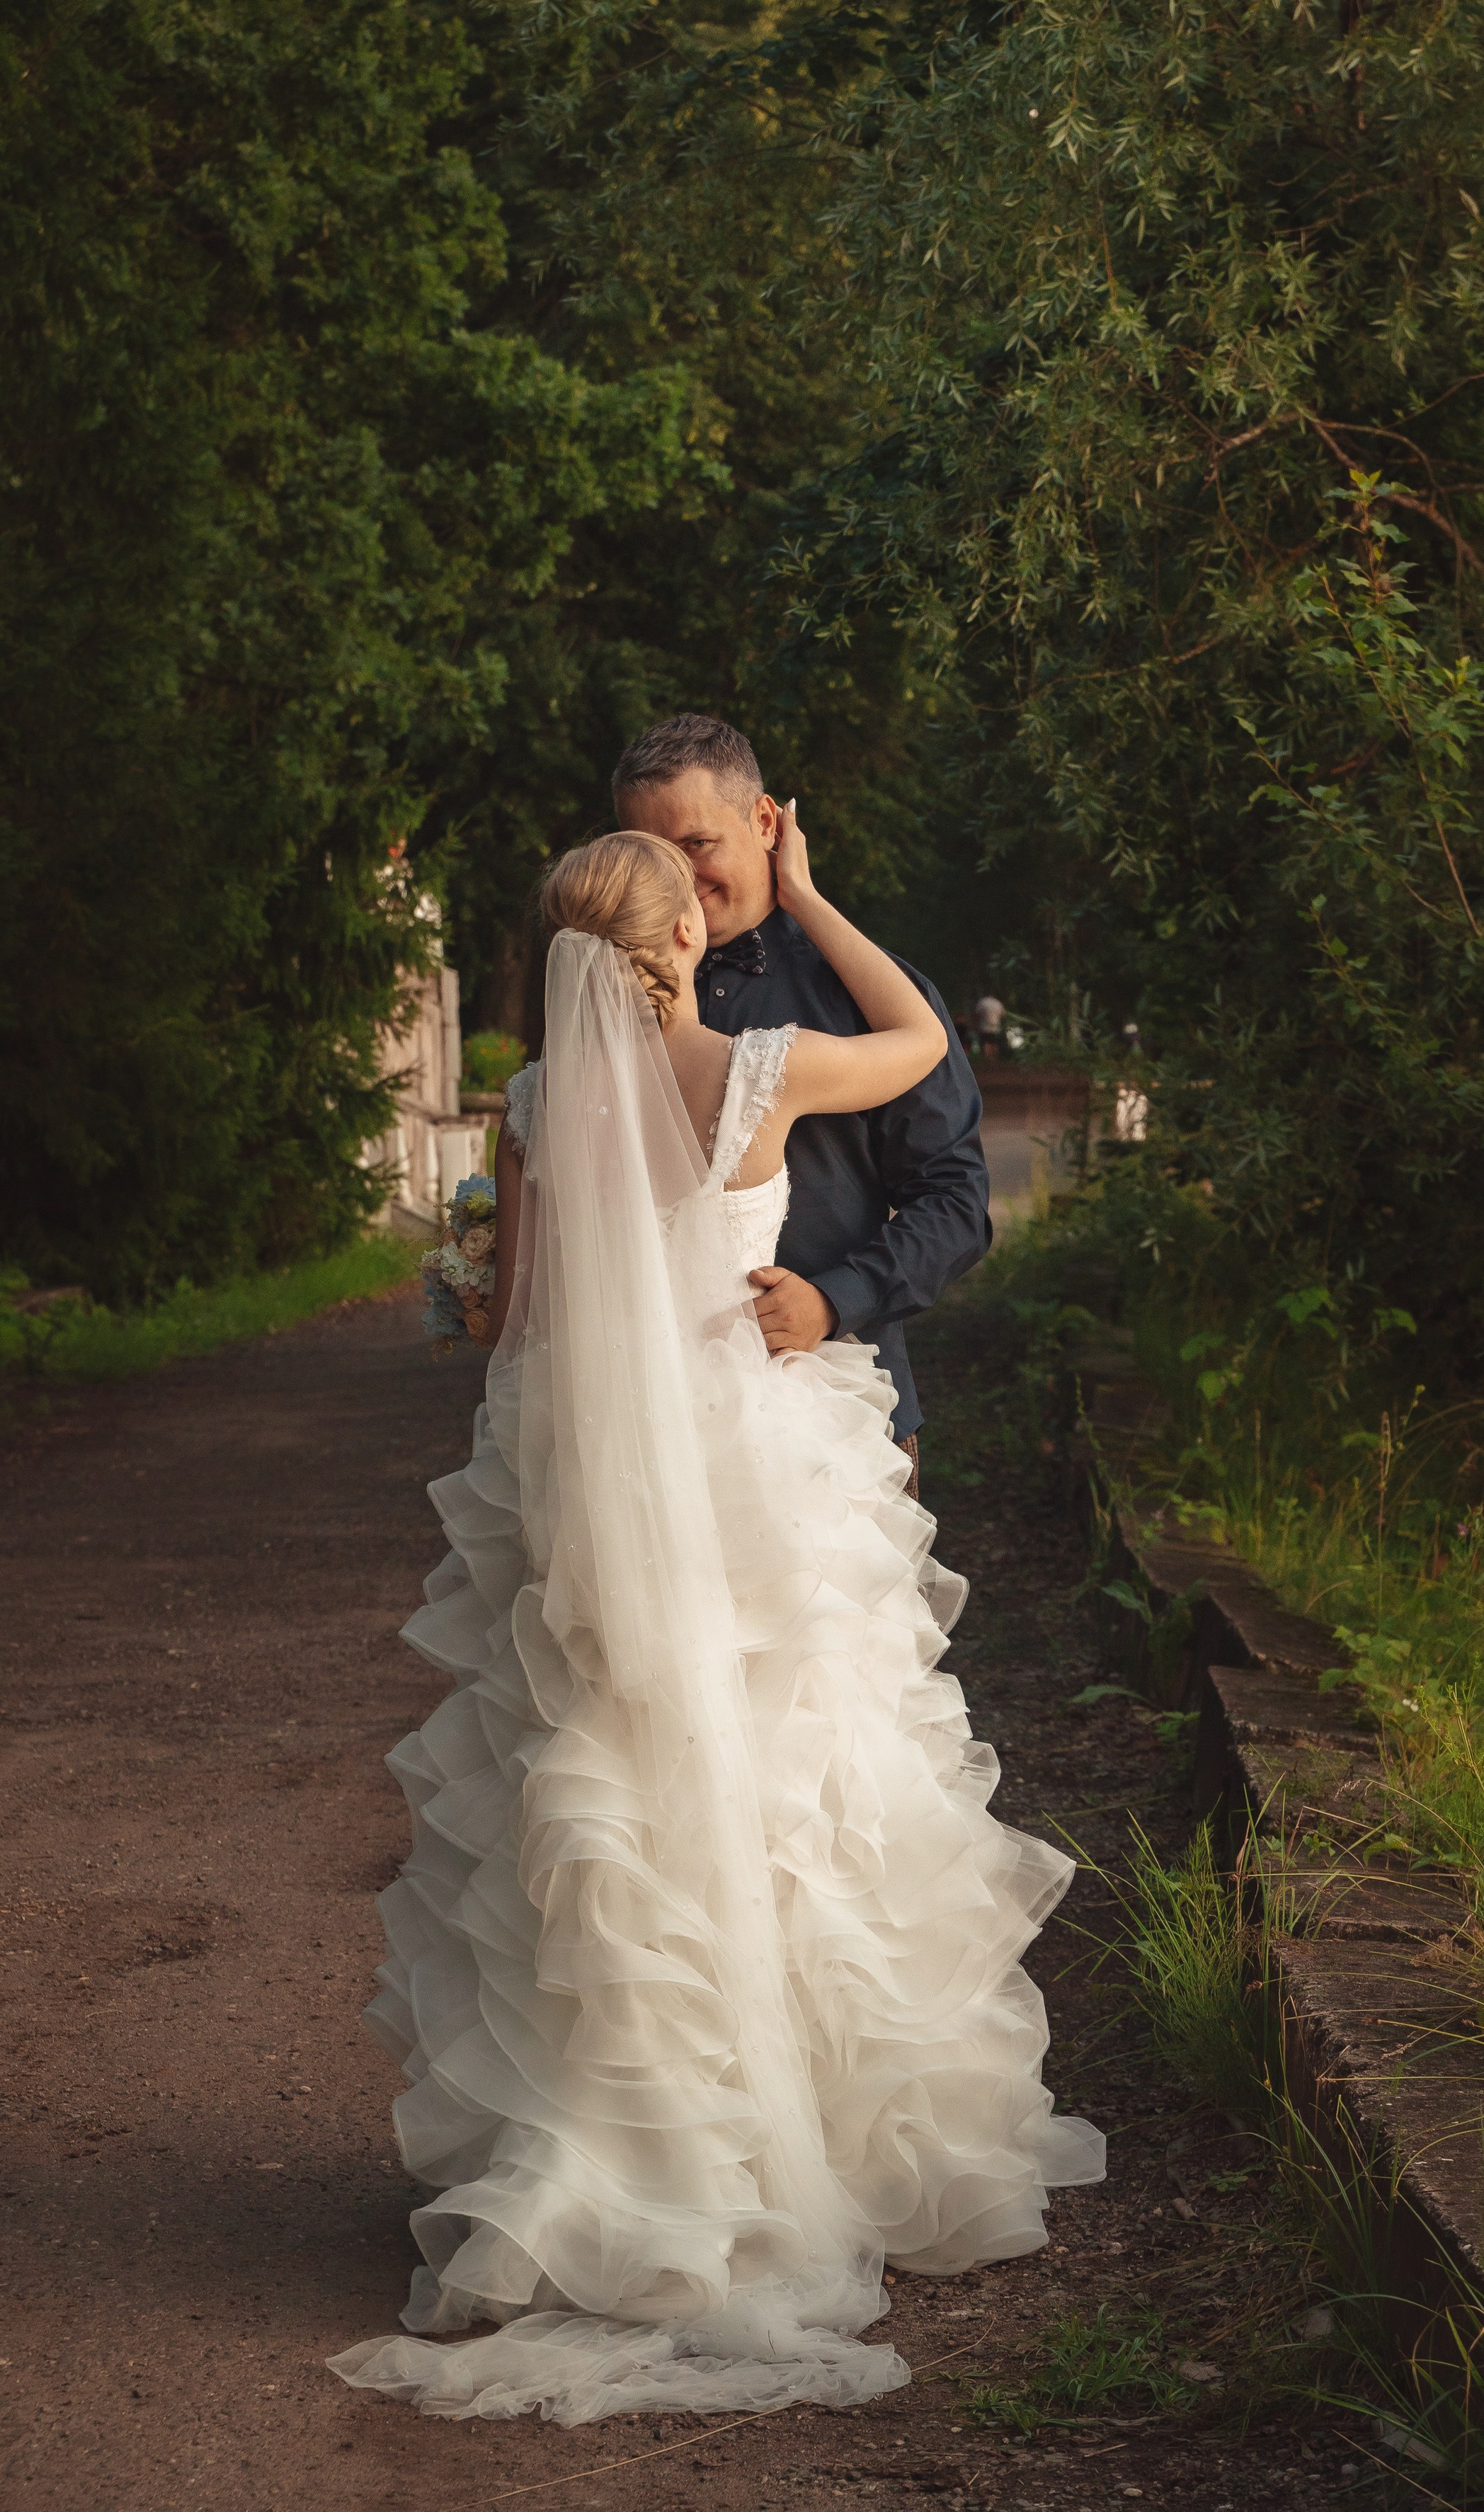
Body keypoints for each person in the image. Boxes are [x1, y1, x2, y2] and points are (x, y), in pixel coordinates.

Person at [329, 813, 1104, 2427]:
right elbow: (918, 1039)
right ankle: (812, 2147)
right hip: (754, 1477)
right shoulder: (760, 1071)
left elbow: (513, 1322)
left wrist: (468, 1287)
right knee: (795, 1796)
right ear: (684, 933)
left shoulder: (534, 1102)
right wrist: (813, 889)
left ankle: (611, 2158)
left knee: (611, 1811)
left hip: (593, 1488)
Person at [613, 717, 991, 1502]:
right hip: (642, 1435)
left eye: (695, 845)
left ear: (764, 824)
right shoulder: (600, 1005)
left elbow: (955, 1204)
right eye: (650, 856)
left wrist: (834, 1299)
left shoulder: (873, 997)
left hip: (843, 1424)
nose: (676, 882)